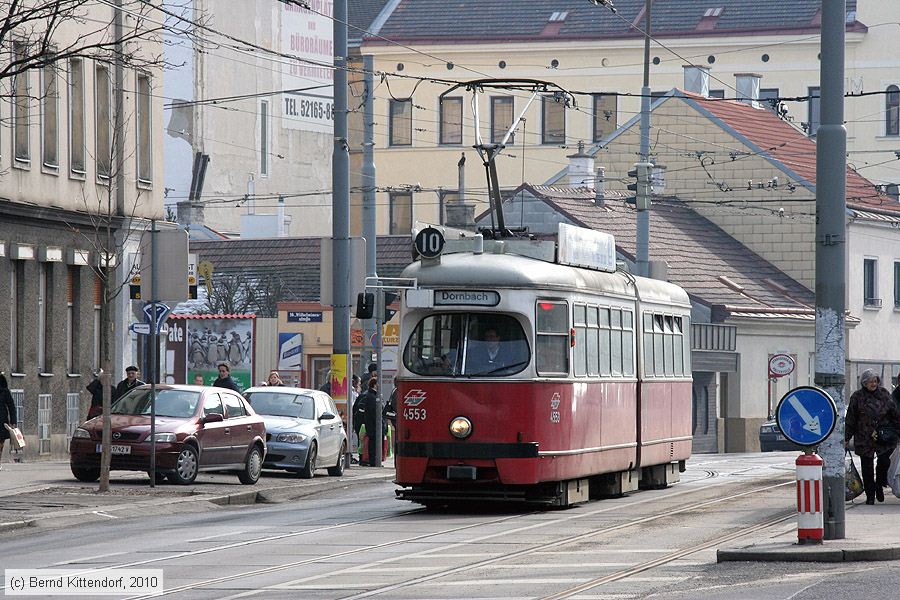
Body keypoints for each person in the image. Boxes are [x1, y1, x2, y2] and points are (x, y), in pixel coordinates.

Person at [846, 369, 900, 504]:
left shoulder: (884, 394)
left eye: (875, 381)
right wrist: (846, 438)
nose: (873, 384)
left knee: (884, 462)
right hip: (864, 437)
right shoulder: (857, 397)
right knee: (867, 468)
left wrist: (897, 430)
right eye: (870, 381)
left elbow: (894, 414)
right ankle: (870, 495)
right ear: (864, 383)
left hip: (884, 436)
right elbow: (851, 419)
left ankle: (880, 484)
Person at [0, 374, 18, 470]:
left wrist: (13, 421)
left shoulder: (4, 390)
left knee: (0, 443)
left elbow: (11, 406)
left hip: (1, 420)